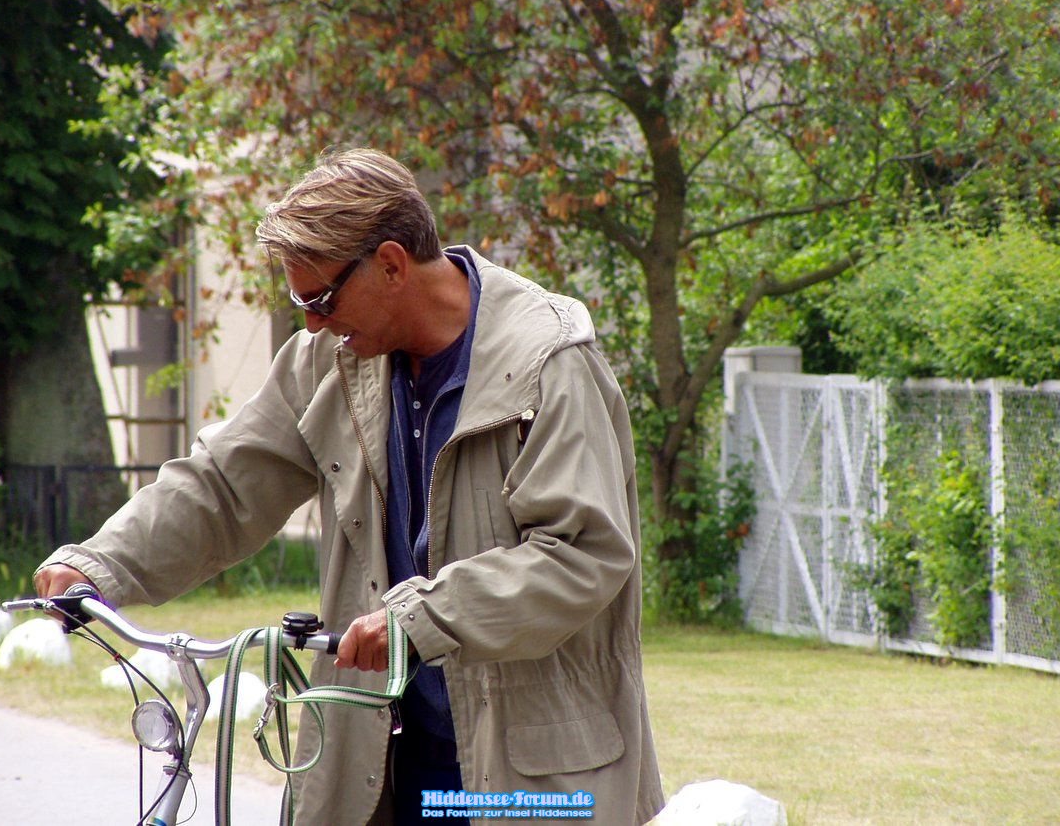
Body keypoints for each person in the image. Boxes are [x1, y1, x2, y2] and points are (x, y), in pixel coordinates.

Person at [34, 148, 664, 825]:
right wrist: (101, 563)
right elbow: (223, 484)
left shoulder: (548, 362)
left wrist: (425, 617)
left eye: (322, 299)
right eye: (299, 302)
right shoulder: (329, 360)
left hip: (526, 776)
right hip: (378, 766)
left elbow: (582, 554)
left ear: (391, 264)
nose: (311, 322)